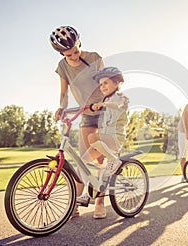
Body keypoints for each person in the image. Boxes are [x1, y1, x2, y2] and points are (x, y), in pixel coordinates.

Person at [50, 25, 105, 218]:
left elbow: (106, 84)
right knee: (82, 160)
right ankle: (76, 200)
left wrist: (102, 102)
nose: (73, 57)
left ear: (79, 43)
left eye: (75, 51)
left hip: (104, 111)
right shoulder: (63, 67)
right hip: (86, 113)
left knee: (99, 157)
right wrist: (61, 107)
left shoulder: (94, 58)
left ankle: (100, 202)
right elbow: (64, 92)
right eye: (68, 55)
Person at [79, 67, 129, 218]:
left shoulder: (121, 97)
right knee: (84, 161)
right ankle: (89, 192)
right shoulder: (106, 99)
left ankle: (114, 160)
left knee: (92, 138)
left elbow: (117, 106)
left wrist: (102, 105)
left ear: (117, 83)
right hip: (105, 137)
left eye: (106, 83)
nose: (103, 87)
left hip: (115, 138)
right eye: (101, 85)